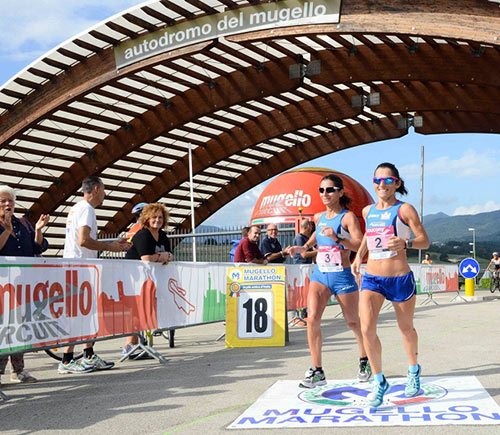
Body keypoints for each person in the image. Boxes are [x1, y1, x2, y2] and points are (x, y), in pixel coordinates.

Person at [352, 162, 430, 407]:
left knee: (406, 329)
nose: (382, 185)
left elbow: (425, 241)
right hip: (372, 278)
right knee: (366, 328)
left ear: (397, 183)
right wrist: (358, 256)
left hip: (399, 278)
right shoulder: (368, 211)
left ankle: (413, 370)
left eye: (387, 180)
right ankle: (379, 380)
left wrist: (406, 243)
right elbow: (368, 235)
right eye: (377, 180)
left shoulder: (404, 209)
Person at [294, 174, 370, 388]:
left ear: (340, 192)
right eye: (321, 190)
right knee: (312, 319)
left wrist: (338, 238)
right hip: (320, 274)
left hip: (342, 275)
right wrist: (303, 247)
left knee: (353, 322)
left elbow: (360, 245)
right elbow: (316, 237)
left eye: (329, 190)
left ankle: (365, 359)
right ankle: (317, 370)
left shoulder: (348, 218)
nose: (324, 194)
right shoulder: (319, 217)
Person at [60, 176, 131, 374]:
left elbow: (82, 241)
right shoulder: (87, 209)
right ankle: (67, 359)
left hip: (78, 266)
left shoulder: (77, 207)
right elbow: (83, 240)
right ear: (97, 189)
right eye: (104, 190)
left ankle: (87, 354)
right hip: (81, 267)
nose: (105, 194)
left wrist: (112, 243)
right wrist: (111, 247)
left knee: (86, 312)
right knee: (79, 312)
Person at [0, 185, 49, 386]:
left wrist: (38, 230)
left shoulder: (22, 223)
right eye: (3, 201)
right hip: (3, 287)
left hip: (22, 286)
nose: (7, 204)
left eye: (10, 201)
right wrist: (6, 231)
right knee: (3, 328)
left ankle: (18, 370)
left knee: (19, 327)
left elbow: (38, 247)